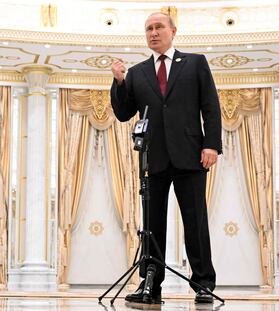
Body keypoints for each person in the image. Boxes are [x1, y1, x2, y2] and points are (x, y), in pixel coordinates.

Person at [110, 12, 222, 304]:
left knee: (195, 222)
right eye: (148, 29)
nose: (153, 33)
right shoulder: (136, 72)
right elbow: (124, 113)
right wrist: (120, 82)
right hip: (153, 159)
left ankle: (203, 284)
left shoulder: (195, 63)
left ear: (173, 31)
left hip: (191, 156)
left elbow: (210, 106)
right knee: (152, 226)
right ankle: (150, 285)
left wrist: (212, 145)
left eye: (159, 27)